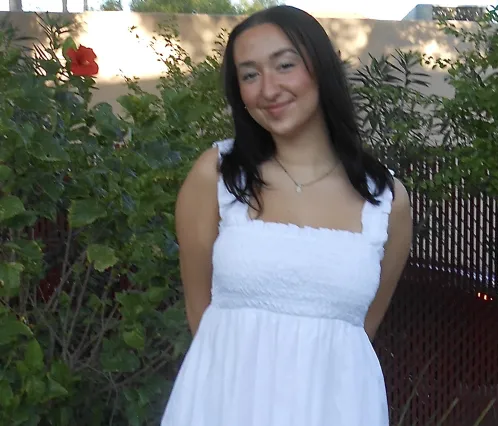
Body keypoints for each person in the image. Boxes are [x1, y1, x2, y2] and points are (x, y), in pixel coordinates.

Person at [162, 5, 412, 426]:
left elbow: (359, 332)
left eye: (284, 65)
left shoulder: (387, 200)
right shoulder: (217, 175)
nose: (268, 88)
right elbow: (199, 313)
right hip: (223, 406)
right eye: (249, 75)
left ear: (320, 67)